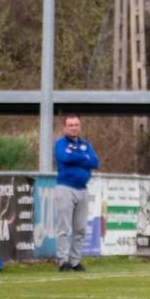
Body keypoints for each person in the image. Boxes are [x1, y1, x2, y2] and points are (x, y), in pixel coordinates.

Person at [53, 115, 100, 271]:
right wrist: (83, 157)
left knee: (80, 229)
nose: (73, 127)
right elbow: (65, 157)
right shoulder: (60, 143)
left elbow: (95, 162)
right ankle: (63, 261)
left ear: (79, 127)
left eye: (76, 125)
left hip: (82, 190)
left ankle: (75, 261)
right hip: (66, 188)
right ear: (65, 127)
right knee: (64, 228)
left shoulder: (86, 144)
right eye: (70, 125)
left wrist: (77, 157)